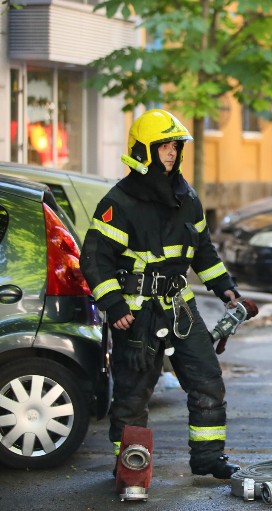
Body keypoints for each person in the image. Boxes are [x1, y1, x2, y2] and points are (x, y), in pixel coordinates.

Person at [79, 108, 241, 480]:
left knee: (207, 380)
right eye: (163, 146)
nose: (171, 152)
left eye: (175, 146)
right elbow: (95, 260)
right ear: (143, 151)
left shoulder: (187, 197)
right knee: (134, 395)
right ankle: (130, 469)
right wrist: (114, 304)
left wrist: (226, 289)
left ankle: (208, 459)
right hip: (136, 313)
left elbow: (203, 251)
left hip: (178, 306)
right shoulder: (118, 202)